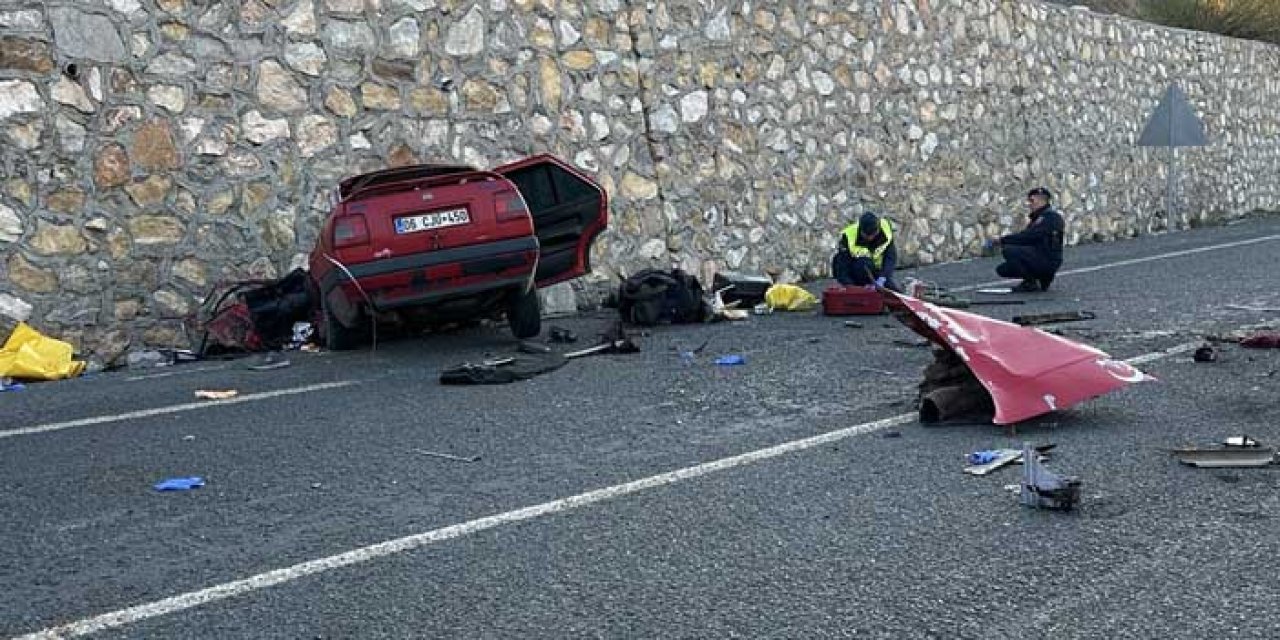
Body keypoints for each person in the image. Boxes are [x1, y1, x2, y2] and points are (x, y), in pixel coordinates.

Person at [987, 187, 1065, 292]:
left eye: (1032, 201)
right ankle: (1041, 279)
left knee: (1009, 250)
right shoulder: (1040, 218)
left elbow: (1029, 237)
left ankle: (1032, 281)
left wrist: (1002, 240)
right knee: (1003, 269)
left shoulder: (1049, 218)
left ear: (1042, 201)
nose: (1029, 204)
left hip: (1047, 259)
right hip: (1043, 257)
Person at [832, 211, 898, 291]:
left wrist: (883, 277)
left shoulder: (885, 230)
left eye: (872, 235)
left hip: (876, 274)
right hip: (857, 272)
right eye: (867, 235)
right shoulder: (848, 236)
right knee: (864, 264)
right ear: (861, 230)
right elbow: (842, 266)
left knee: (892, 291)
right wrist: (850, 286)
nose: (870, 238)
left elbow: (890, 257)